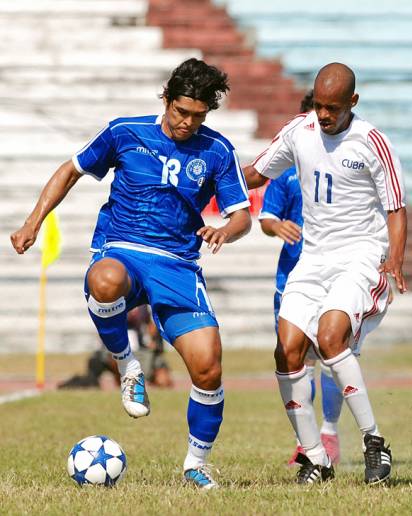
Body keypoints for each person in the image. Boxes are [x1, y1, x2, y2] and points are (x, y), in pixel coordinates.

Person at [11, 58, 252, 490]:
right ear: (166, 99)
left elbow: (241, 217)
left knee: (209, 367)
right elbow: (70, 170)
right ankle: (128, 367)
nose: (188, 123)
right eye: (181, 112)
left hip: (177, 265)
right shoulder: (126, 132)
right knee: (103, 281)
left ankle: (195, 464)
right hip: (122, 249)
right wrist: (34, 222)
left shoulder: (218, 151)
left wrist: (224, 231)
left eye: (198, 116)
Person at [244, 62, 407, 485]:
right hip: (312, 259)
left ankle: (374, 443)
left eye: (332, 107)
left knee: (332, 335)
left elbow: (396, 207)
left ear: (352, 102)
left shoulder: (372, 142)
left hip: (360, 257)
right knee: (287, 349)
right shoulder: (300, 130)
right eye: (318, 105)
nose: (323, 115)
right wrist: (208, 172)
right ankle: (316, 458)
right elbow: (256, 173)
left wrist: (395, 260)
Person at [259, 90, 344, 466]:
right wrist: (277, 226)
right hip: (292, 275)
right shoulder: (287, 170)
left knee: (332, 354)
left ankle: (330, 431)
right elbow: (265, 218)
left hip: (337, 274)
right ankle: (305, 441)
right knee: (296, 359)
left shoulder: (349, 165)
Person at [58, 305, 173, 389]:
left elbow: (149, 324)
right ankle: (125, 387)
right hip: (116, 350)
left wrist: (152, 339)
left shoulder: (142, 305)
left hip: (141, 351)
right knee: (117, 362)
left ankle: (141, 388)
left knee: (164, 381)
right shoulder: (112, 302)